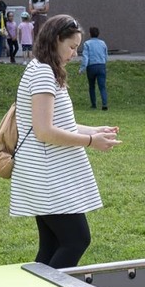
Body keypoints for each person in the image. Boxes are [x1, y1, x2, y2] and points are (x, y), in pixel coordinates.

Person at [10, 16, 120, 268]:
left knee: (52, 244)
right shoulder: (43, 73)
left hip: (44, 171)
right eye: (72, 47)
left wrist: (95, 130)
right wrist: (90, 141)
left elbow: (57, 124)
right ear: (56, 40)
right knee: (76, 240)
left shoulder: (41, 68)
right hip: (47, 174)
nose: (74, 54)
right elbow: (44, 131)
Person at [80, 26, 109, 110]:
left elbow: (85, 57)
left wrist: (82, 68)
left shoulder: (87, 43)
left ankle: (93, 104)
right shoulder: (103, 43)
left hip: (91, 66)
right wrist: (104, 63)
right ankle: (104, 104)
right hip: (101, 66)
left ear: (90, 34)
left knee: (92, 86)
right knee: (102, 86)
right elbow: (106, 56)